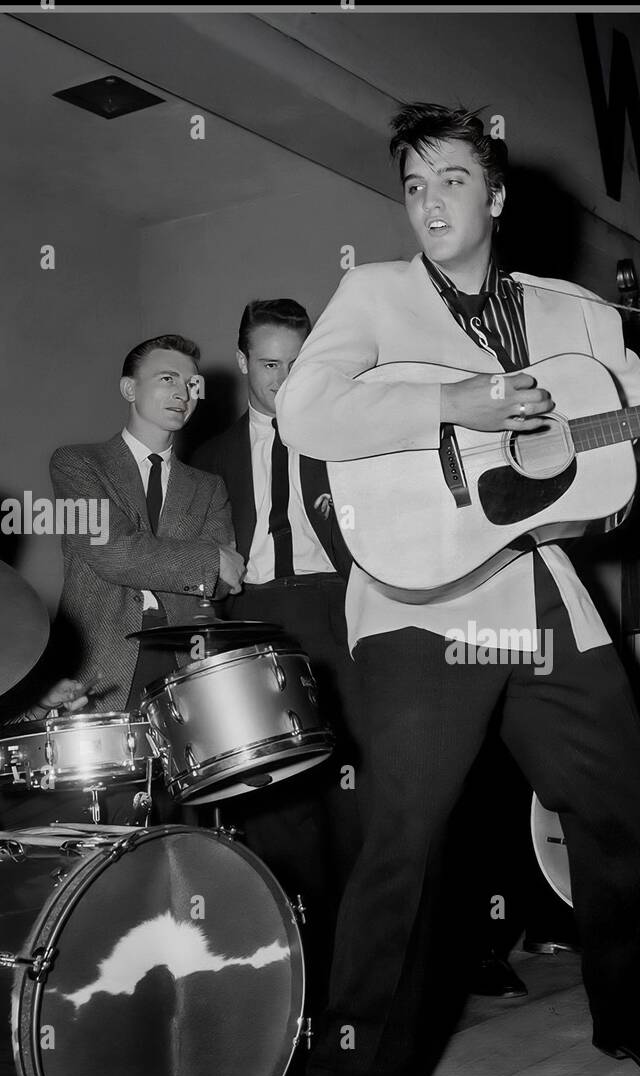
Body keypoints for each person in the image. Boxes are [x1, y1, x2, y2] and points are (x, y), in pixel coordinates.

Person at [275, 102, 640, 1076]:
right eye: (413, 187)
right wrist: (462, 402)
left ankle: (635, 1017)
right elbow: (308, 415)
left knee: (630, 816)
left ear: (497, 195)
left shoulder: (575, 314)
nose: (429, 204)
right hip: (421, 603)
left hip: (538, 599)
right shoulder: (375, 296)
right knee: (407, 846)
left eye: (448, 182)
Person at [191, 300, 360, 987]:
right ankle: (301, 980)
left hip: (343, 613)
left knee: (361, 797)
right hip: (255, 621)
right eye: (269, 366)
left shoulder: (346, 440)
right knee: (279, 809)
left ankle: (368, 971)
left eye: (298, 365)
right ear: (241, 363)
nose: (285, 382)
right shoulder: (206, 460)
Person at [49, 335, 243, 716]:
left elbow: (224, 582)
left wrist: (213, 566)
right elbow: (111, 552)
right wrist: (209, 559)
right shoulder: (76, 465)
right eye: (167, 379)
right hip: (99, 669)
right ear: (129, 388)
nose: (183, 394)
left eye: (191, 385)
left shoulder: (209, 486)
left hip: (189, 667)